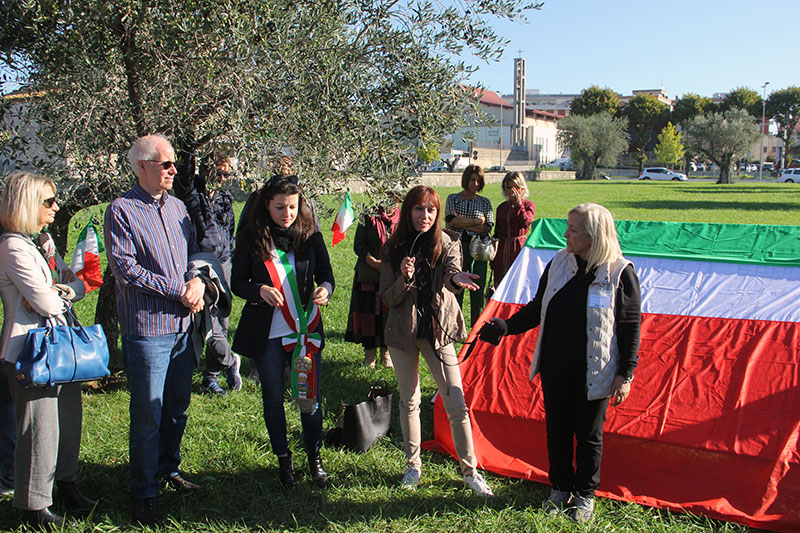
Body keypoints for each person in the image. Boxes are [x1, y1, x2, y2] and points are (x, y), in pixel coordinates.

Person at [488, 203, 641, 522]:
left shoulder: (619, 272)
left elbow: (629, 326)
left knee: (588, 435)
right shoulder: (558, 261)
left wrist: (625, 374)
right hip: (555, 366)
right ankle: (559, 487)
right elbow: (536, 308)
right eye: (567, 227)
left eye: (573, 229)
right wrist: (506, 327)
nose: (566, 234)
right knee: (557, 431)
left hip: (595, 370)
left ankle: (585, 495)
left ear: (594, 235)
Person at [104, 134, 205, 526]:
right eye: (166, 164)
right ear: (142, 166)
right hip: (148, 329)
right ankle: (143, 493)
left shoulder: (178, 207)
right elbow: (126, 270)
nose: (174, 170)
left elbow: (193, 254)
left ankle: (168, 468)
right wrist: (176, 290)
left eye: (173, 163)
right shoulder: (122, 211)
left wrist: (196, 281)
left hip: (183, 326)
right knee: (148, 413)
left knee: (177, 407)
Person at [380, 185, 493, 497]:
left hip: (437, 332)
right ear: (408, 211)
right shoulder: (393, 248)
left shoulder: (448, 242)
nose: (425, 216)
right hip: (403, 335)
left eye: (431, 210)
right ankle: (412, 466)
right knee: (409, 401)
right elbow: (387, 298)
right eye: (419, 209)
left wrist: (456, 279)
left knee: (456, 404)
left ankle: (470, 472)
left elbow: (452, 273)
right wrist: (403, 278)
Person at [0, 171, 95, 528]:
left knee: (68, 420)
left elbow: (75, 284)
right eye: (49, 202)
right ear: (27, 205)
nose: (57, 208)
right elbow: (44, 301)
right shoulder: (12, 246)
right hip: (30, 348)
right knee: (38, 428)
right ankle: (33, 506)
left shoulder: (41, 244)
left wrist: (66, 289)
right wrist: (63, 291)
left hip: (57, 345)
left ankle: (65, 483)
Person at [231, 174, 334, 489]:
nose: (287, 214)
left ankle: (314, 459)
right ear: (266, 204)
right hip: (269, 334)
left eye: (292, 207)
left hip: (304, 334)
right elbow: (237, 283)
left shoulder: (310, 236)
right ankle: (283, 459)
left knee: (308, 399)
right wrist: (258, 289)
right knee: (273, 398)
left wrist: (325, 291)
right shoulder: (251, 236)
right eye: (280, 207)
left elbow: (327, 276)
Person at [183, 153, 242, 395]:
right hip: (199, 264)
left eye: (226, 174)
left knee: (222, 321)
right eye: (218, 172)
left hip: (224, 262)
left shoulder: (224, 198)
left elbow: (230, 230)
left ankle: (210, 377)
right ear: (206, 169)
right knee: (209, 325)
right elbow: (185, 167)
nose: (222, 178)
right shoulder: (191, 193)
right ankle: (230, 362)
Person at [345, 198, 400, 368]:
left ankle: (386, 352)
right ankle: (369, 354)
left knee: (388, 313)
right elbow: (358, 244)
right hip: (369, 272)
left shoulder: (403, 216)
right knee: (368, 314)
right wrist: (374, 262)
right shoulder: (368, 215)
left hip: (393, 274)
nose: (393, 197)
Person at [445, 164, 493, 326]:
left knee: (477, 288)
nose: (475, 184)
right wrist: (476, 222)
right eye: (472, 180)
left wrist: (462, 222)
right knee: (456, 285)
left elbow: (488, 226)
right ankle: (454, 324)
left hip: (479, 249)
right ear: (466, 179)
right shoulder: (453, 199)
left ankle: (477, 326)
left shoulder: (485, 202)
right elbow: (451, 220)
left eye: (479, 181)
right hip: (456, 247)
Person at [491, 171, 536, 287]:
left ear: (522, 188)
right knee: (500, 284)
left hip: (519, 248)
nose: (512, 191)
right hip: (502, 249)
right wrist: (493, 254)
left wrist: (518, 204)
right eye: (509, 188)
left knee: (518, 283)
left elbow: (526, 223)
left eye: (516, 187)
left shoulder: (528, 205)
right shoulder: (501, 208)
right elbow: (497, 231)